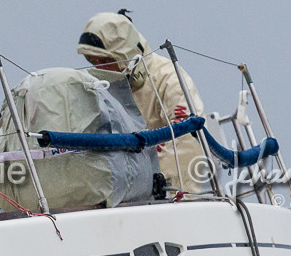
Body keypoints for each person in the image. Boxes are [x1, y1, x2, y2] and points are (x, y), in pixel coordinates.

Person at [76, 10, 206, 191]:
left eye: (103, 60)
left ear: (125, 54)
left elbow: (185, 141)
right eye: (92, 61)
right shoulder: (101, 88)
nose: (97, 68)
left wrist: (159, 185)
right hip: (122, 192)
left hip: (168, 195)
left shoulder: (170, 81)